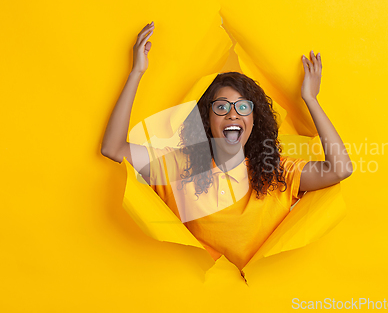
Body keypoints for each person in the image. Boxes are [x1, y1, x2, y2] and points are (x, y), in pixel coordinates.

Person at [101, 22, 353, 270]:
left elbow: (340, 169)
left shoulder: (277, 173)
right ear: (206, 120)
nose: (233, 114)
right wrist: (136, 73)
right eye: (221, 107)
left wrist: (311, 99)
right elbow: (113, 148)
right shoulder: (179, 167)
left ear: (254, 120)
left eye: (243, 107)